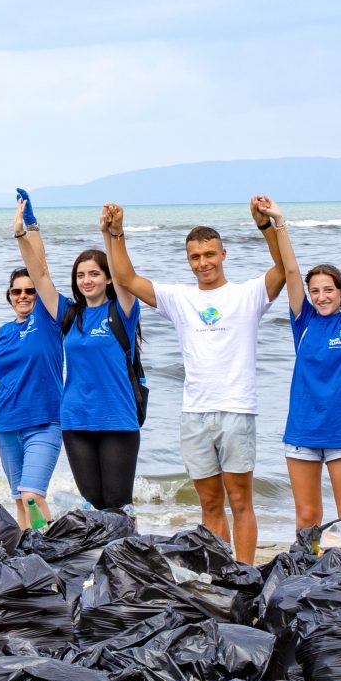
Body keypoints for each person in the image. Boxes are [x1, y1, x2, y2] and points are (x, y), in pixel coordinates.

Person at [102, 196, 290, 564]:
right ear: (188, 260)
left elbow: (284, 269)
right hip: (195, 414)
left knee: (240, 500)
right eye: (195, 257)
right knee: (209, 503)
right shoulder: (180, 298)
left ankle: (246, 572)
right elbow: (124, 278)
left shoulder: (246, 294)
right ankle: (221, 570)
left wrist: (266, 226)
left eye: (210, 254)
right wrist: (117, 233)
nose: (203, 263)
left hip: (236, 410)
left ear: (223, 254)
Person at [282, 207, 341, 530]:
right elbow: (291, 272)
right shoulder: (302, 321)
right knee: (307, 518)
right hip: (303, 429)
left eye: (329, 290)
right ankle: (304, 576)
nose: (321, 297)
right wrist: (279, 223)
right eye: (315, 291)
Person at [55, 228, 145, 514]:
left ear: (107, 278)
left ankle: (126, 556)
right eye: (81, 275)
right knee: (94, 507)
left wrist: (111, 234)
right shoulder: (70, 314)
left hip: (117, 419)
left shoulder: (123, 311)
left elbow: (124, 276)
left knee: (118, 507)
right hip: (75, 421)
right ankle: (103, 558)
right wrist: (27, 232)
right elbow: (41, 276)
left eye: (94, 273)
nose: (86, 280)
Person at [0, 191, 66, 528]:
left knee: (33, 496)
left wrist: (30, 227)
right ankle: (29, 561)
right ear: (9, 296)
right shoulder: (5, 331)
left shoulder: (47, 320)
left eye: (29, 290)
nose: (23, 296)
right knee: (19, 501)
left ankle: (53, 551)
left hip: (44, 422)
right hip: (7, 425)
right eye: (16, 291)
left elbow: (42, 272)